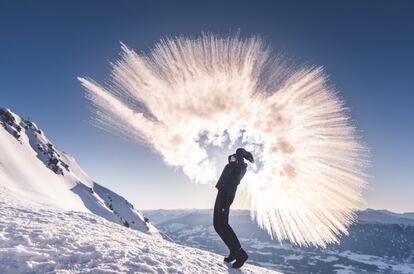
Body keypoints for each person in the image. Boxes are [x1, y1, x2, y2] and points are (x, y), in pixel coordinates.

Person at [213, 147, 254, 268]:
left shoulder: (239, 168)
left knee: (223, 224)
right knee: (217, 225)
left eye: (234, 157)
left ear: (238, 159)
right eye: (230, 157)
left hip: (226, 195)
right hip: (221, 193)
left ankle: (241, 254)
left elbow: (239, 151)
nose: (231, 158)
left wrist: (244, 154)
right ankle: (233, 251)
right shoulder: (230, 166)